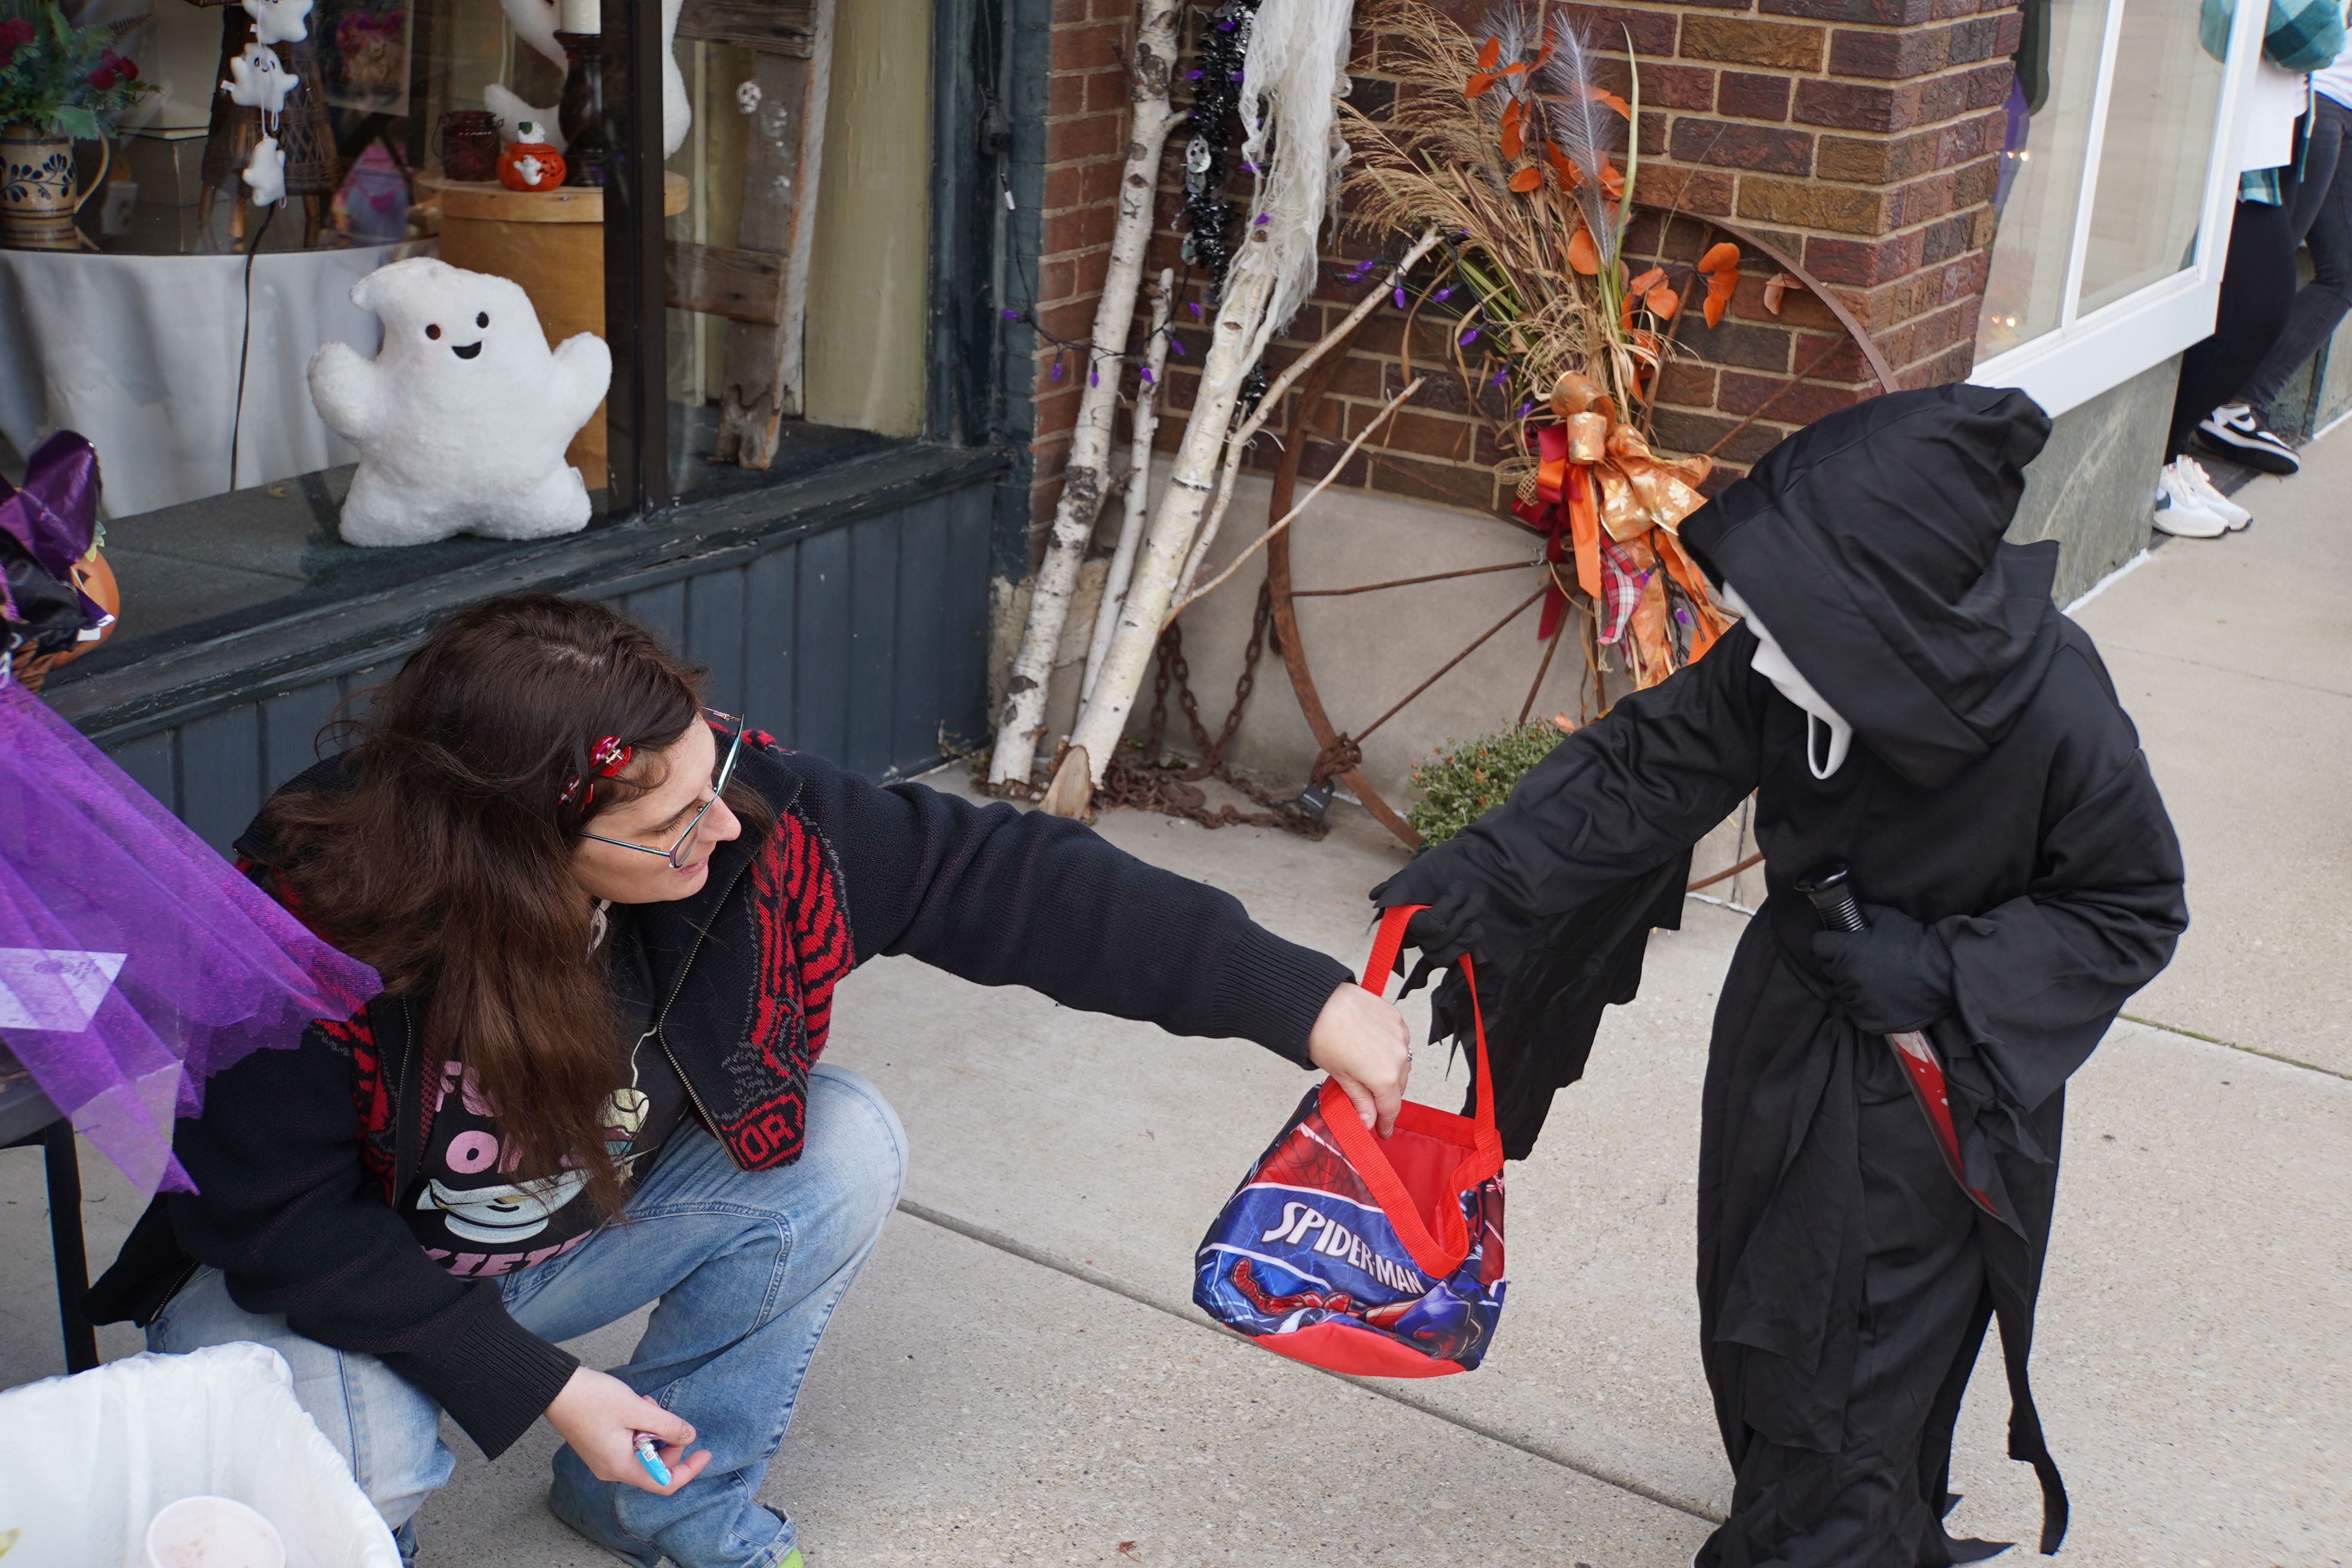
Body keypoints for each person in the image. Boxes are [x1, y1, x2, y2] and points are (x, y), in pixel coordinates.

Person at [86, 594, 1413, 1568]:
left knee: (841, 1147)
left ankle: (661, 1502)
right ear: (519, 843)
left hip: (555, 1231)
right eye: (671, 823)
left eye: (711, 775)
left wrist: (1302, 1003)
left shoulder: (739, 818)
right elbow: (273, 1223)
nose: (723, 828)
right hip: (337, 1282)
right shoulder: (315, 924)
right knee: (359, 1460)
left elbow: (1002, 880)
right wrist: (541, 1382)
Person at [1376, 387, 2188, 1566]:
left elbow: (2134, 906)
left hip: (1929, 1079)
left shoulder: (2058, 709)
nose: (1756, 626)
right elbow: (1651, 761)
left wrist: (1945, 967)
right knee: (1760, 1320)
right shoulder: (1788, 666)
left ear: (1889, 612)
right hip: (1788, 1021)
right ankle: (1835, 1519)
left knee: (1848, 1360)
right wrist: (1483, 876)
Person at [2160, 0, 2348, 534]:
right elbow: (2314, 36)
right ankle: (2161, 461)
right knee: (2258, 305)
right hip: (2234, 140)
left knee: (2253, 305)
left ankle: (2171, 458)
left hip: (2279, 129)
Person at [2197, 35, 2352, 475]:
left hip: (2340, 108)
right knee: (2267, 280)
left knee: (2344, 273)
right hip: (2320, 103)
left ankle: (2239, 403)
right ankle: (2208, 407)